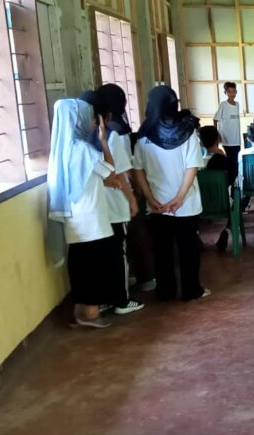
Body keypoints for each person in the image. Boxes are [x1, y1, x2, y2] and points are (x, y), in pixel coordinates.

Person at [47, 98, 120, 328]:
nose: (91, 122)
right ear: (77, 120)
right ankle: (90, 312)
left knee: (80, 264)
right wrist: (103, 142)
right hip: (91, 219)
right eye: (89, 117)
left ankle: (80, 310)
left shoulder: (59, 151)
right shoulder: (83, 150)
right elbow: (109, 172)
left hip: (73, 219)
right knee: (96, 266)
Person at [132, 86, 208, 302]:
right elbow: (191, 167)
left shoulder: (144, 135)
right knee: (188, 250)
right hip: (186, 205)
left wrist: (150, 199)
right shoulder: (186, 132)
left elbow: (138, 170)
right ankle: (191, 290)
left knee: (162, 252)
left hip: (157, 206)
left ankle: (165, 292)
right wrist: (179, 198)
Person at [94, 84, 144, 315]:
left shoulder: (94, 131)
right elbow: (122, 173)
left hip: (97, 201)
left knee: (104, 251)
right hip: (116, 199)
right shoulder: (117, 133)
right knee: (118, 250)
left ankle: (105, 297)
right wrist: (132, 199)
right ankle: (121, 300)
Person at [213, 82, 241, 184]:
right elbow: (215, 119)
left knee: (236, 164)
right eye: (229, 91)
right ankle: (229, 185)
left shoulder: (237, 104)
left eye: (233, 91)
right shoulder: (223, 105)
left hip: (236, 140)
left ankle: (235, 187)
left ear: (236, 92)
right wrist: (216, 135)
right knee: (230, 163)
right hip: (226, 139)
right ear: (225, 92)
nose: (231, 93)